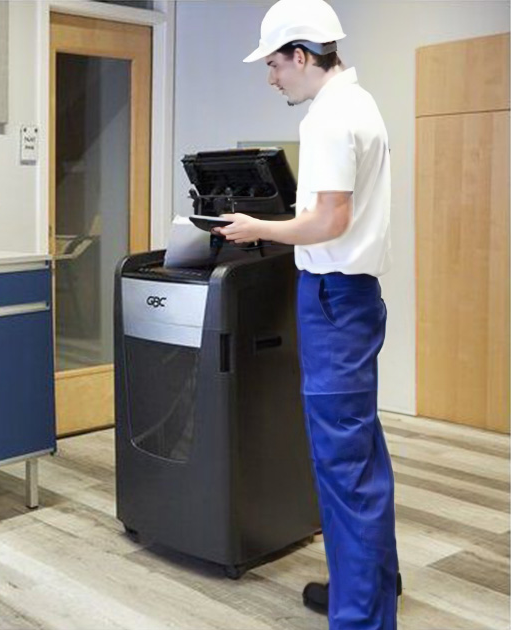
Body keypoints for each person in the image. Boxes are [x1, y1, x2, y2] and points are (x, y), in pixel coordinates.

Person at [218, 0, 398, 628]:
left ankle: (361, 617)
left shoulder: (328, 118)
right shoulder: (362, 102)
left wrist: (252, 227)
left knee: (342, 462)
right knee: (362, 452)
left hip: (335, 300)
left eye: (274, 65)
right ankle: (371, 584)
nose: (271, 78)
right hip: (356, 298)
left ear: (301, 54)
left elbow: (329, 221)